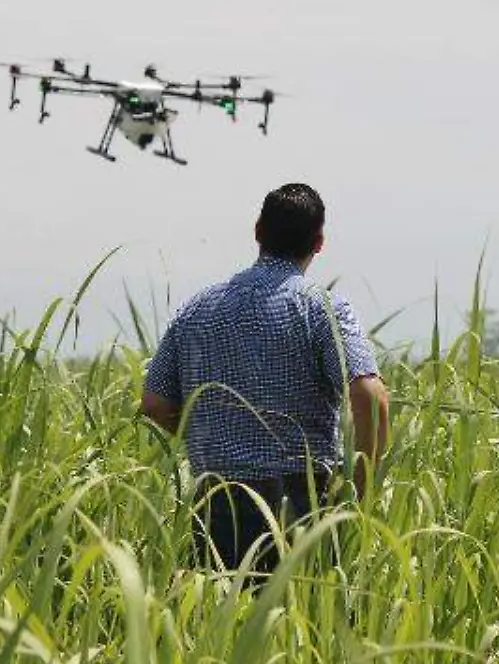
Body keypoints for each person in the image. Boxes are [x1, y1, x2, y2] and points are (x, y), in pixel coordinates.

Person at [140, 183, 390, 577]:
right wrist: (358, 492)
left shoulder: (196, 309)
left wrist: (213, 436)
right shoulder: (323, 307)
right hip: (300, 505)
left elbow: (155, 403)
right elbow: (370, 395)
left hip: (216, 500)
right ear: (319, 243)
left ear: (258, 231)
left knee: (219, 612)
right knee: (300, 612)